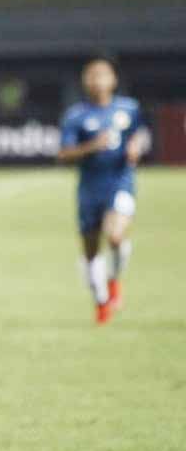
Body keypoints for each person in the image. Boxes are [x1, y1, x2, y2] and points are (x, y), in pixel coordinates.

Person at [56, 56, 148, 324]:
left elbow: (141, 133)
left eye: (102, 75)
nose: (97, 81)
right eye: (92, 76)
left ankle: (114, 282)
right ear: (85, 82)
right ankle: (101, 300)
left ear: (113, 80)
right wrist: (92, 146)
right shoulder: (76, 116)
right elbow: (63, 154)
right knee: (91, 251)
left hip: (120, 182)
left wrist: (136, 146)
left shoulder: (128, 109)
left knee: (116, 236)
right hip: (89, 189)